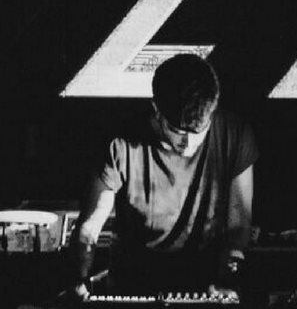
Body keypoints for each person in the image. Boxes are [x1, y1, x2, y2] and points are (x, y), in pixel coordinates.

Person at [66, 54, 258, 300]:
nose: (188, 144)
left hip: (205, 286)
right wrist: (79, 278)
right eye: (177, 131)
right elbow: (90, 227)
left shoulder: (236, 135)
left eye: (199, 132)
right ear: (156, 109)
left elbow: (238, 227)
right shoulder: (121, 144)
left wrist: (229, 276)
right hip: (134, 287)